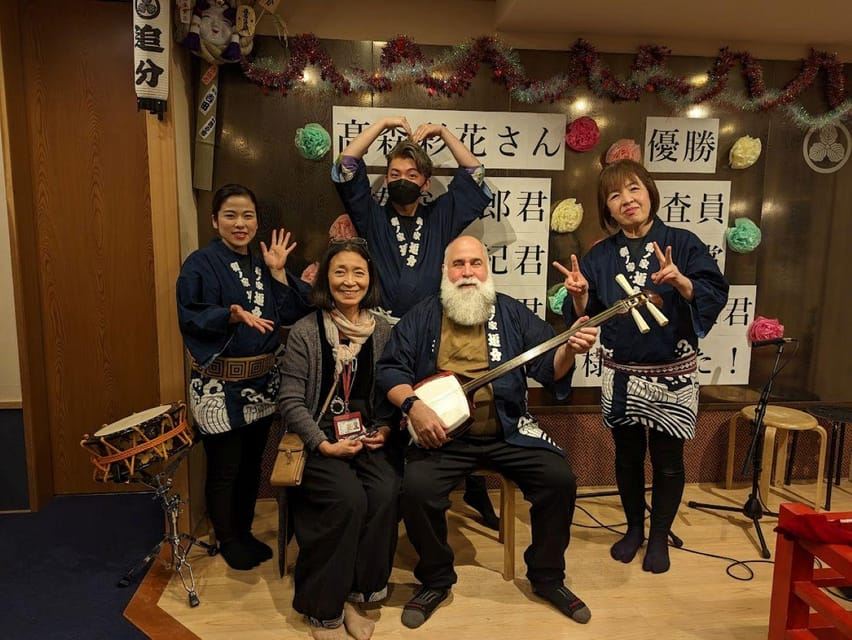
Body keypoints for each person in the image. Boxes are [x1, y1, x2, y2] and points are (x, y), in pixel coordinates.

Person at [377, 236, 598, 629]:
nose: (467, 273)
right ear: (445, 272)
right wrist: (415, 406)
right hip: (442, 437)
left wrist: (570, 350)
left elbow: (549, 366)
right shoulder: (423, 315)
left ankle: (547, 577)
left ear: (487, 269)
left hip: (508, 430)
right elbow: (391, 370)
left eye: (475, 264)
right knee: (416, 488)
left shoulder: (511, 313)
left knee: (559, 479)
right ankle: (435, 578)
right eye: (458, 264)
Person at [555, 159, 729, 574]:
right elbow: (589, 314)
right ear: (607, 209)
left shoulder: (683, 243)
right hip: (621, 373)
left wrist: (682, 281)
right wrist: (579, 297)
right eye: (614, 196)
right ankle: (634, 528)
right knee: (627, 458)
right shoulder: (601, 255)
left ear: (649, 191)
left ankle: (658, 536)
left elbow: (714, 292)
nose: (626, 200)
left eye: (633, 189)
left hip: (673, 374)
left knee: (668, 460)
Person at [333, 115, 499, 528]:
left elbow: (476, 175)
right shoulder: (371, 215)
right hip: (383, 331)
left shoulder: (441, 215)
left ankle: (466, 485)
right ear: (385, 180)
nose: (402, 179)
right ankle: (393, 496)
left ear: (426, 182)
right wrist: (383, 124)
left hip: (433, 330)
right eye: (393, 173)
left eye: (412, 173)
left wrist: (443, 133)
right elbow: (346, 165)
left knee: (444, 407)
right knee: (389, 408)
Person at [176, 184, 311, 571]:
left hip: (262, 383)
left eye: (248, 215)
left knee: (254, 463)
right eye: (231, 215)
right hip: (220, 384)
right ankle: (228, 537)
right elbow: (189, 314)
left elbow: (291, 312)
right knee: (226, 466)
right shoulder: (200, 264)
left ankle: (245, 530)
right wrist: (229, 315)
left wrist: (279, 272)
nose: (240, 223)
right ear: (214, 220)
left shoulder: (261, 262)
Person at [279, 239, 401, 640]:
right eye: (340, 272)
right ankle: (324, 609)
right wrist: (323, 443)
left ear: (370, 279)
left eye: (358, 272)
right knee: (348, 499)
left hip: (363, 436)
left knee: (385, 490)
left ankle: (357, 592)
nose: (350, 282)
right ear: (326, 278)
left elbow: (388, 391)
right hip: (319, 439)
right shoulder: (305, 331)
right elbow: (290, 400)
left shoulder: (381, 330)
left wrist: (383, 428)